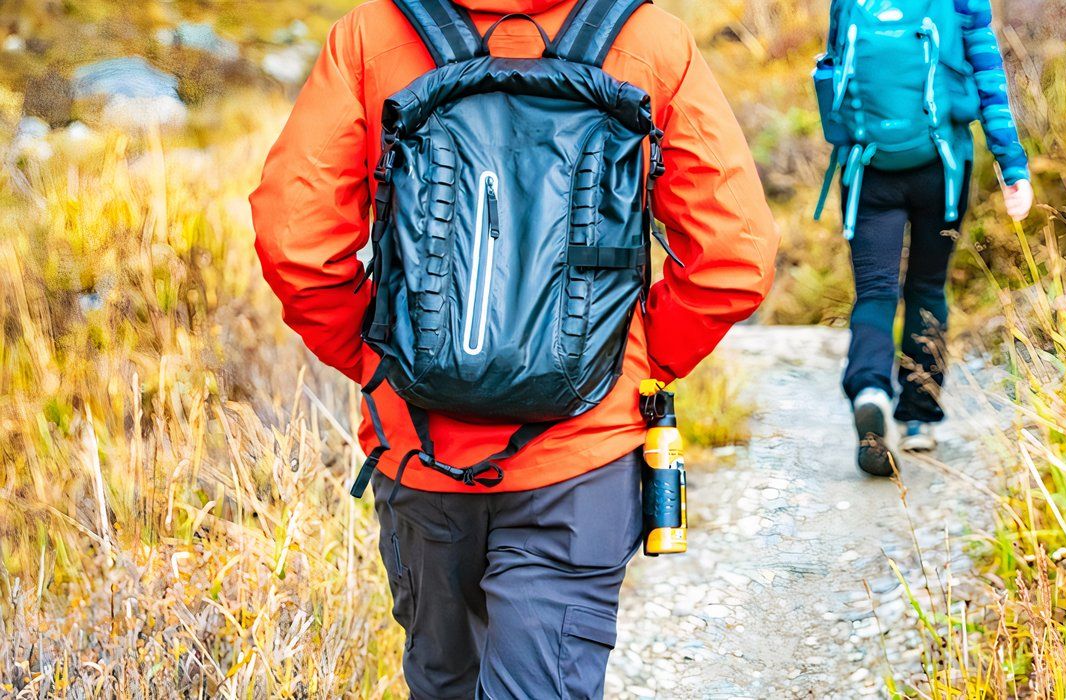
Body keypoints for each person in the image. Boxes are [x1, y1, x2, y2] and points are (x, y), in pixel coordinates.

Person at [250, 0, 779, 697]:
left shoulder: (372, 36)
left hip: (420, 451)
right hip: (580, 462)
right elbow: (732, 259)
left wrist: (386, 364)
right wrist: (631, 362)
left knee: (445, 682)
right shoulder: (649, 40)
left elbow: (297, 245)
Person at [815, 0, 1033, 475]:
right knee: (928, 287)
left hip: (868, 166)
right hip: (944, 167)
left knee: (875, 291)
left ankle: (869, 388)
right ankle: (919, 418)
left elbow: (834, 66)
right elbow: (987, 70)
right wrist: (1011, 163)